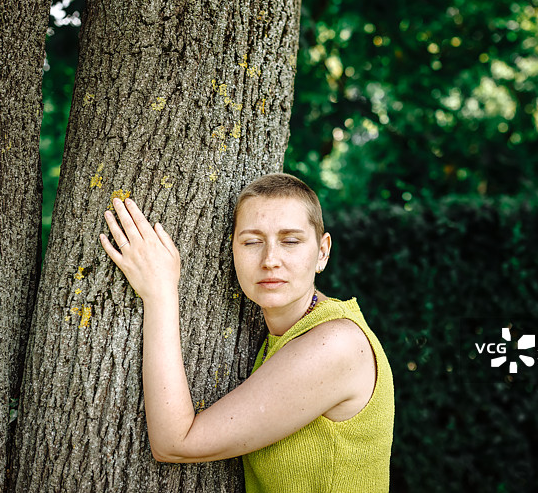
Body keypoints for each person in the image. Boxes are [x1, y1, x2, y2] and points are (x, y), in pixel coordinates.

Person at [99, 173, 394, 492]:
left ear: (322, 252)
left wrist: (159, 293)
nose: (270, 260)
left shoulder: (335, 344)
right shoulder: (287, 336)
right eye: (252, 241)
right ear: (233, 251)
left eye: (290, 241)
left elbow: (175, 442)